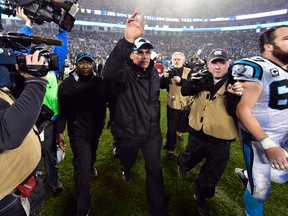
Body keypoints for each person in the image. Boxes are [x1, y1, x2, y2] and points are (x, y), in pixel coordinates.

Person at [102, 9, 165, 216]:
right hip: (129, 133)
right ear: (132, 54)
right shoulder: (124, 73)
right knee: (127, 159)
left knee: (155, 171)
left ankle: (157, 210)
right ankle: (125, 168)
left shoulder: (154, 73)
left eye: (148, 52)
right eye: (140, 52)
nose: (145, 56)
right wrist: (127, 40)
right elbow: (108, 73)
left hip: (152, 134)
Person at [177, 49, 243, 216]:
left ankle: (200, 195)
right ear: (208, 64)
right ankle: (183, 165)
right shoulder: (201, 76)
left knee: (212, 173)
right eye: (214, 62)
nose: (218, 66)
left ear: (229, 63)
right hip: (198, 133)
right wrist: (193, 82)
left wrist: (235, 98)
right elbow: (185, 91)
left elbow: (242, 111)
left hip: (222, 138)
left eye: (222, 62)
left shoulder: (238, 83)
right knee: (189, 157)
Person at [232, 25, 288, 216]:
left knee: (281, 176)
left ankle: (247, 175)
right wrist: (268, 145)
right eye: (287, 38)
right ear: (269, 46)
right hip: (261, 138)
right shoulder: (256, 67)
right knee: (260, 192)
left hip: (285, 132)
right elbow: (243, 109)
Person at [16, 7, 68, 193]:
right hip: (31, 125)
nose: (41, 60)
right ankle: (33, 188)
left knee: (50, 155)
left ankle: (52, 182)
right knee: (32, 158)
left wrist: (63, 31)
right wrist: (27, 25)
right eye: (36, 56)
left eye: (44, 57)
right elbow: (18, 48)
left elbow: (60, 50)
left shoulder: (53, 71)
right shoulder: (24, 73)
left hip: (50, 124)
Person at [55, 51, 112, 216]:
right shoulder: (66, 85)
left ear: (93, 64)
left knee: (90, 154)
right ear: (76, 64)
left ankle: (91, 164)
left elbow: (111, 100)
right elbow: (62, 111)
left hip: (96, 128)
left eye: (88, 62)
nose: (86, 66)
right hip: (78, 130)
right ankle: (82, 206)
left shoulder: (100, 82)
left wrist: (114, 118)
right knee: (82, 165)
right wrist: (60, 131)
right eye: (82, 63)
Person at [0, 49, 47, 215]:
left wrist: (22, 78)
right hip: (6, 199)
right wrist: (36, 83)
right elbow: (8, 135)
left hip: (23, 183)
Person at [160, 52, 193, 159]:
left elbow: (192, 87)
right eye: (174, 59)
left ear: (183, 61)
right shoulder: (168, 72)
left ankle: (180, 133)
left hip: (185, 105)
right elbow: (161, 86)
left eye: (179, 59)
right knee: (171, 128)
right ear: (171, 60)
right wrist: (164, 78)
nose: (177, 61)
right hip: (172, 105)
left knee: (182, 125)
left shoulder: (189, 71)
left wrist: (182, 81)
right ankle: (170, 148)